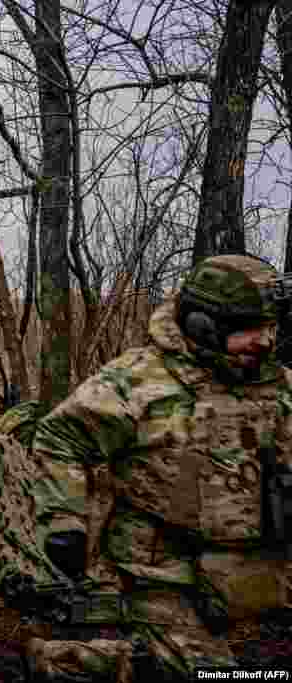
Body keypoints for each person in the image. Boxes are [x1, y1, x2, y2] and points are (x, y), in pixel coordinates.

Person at [23, 253, 292, 682]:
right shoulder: (139, 381)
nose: (266, 340)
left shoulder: (276, 387)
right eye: (251, 329)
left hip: (249, 569)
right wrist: (63, 518)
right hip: (159, 575)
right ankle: (80, 662)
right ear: (205, 325)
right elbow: (63, 436)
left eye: (271, 327)